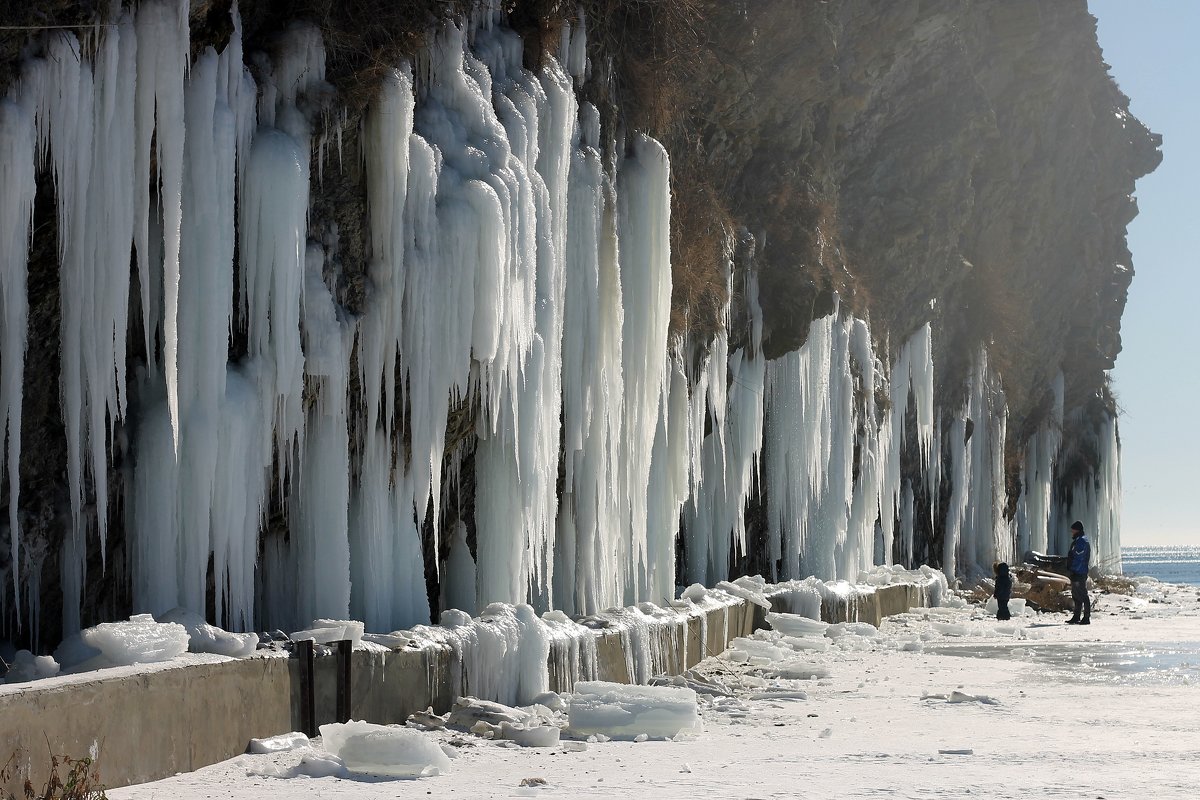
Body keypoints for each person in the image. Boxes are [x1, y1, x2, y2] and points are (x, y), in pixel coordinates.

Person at [1066, 520, 1091, 625]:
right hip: (1077, 571)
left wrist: (1074, 569)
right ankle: (1076, 616)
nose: (1072, 532)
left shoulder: (1081, 541)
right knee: (1076, 595)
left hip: (1079, 572)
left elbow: (1078, 557)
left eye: (1073, 530)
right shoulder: (1079, 540)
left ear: (1077, 530)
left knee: (1082, 595)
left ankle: (1086, 617)